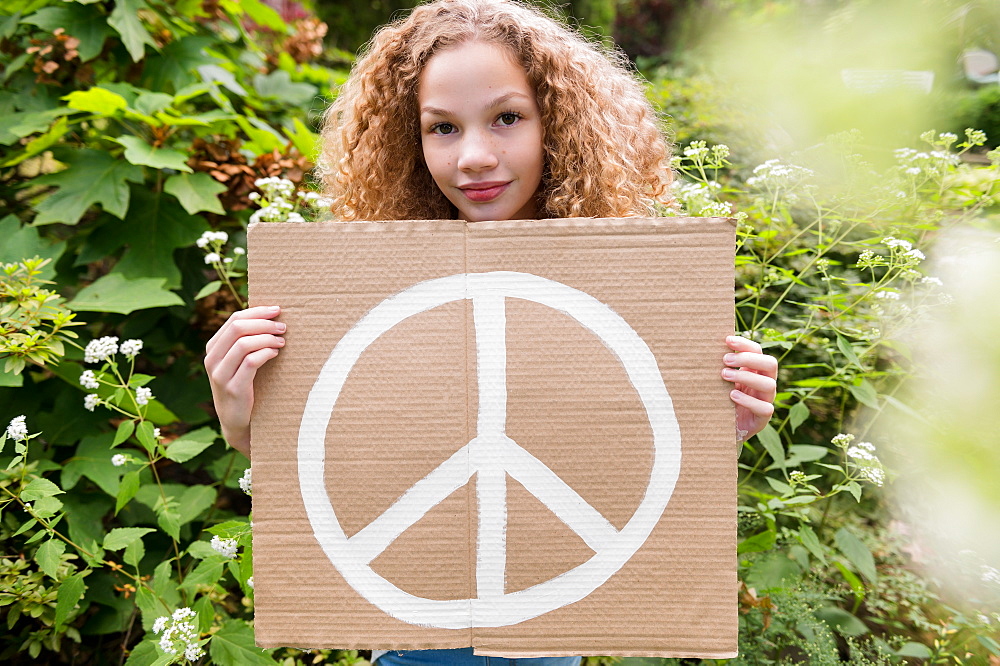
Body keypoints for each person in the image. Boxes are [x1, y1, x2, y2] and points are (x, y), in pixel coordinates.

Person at [204, 1, 778, 663]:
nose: (474, 155)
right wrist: (249, 426)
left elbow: (623, 484)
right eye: (442, 127)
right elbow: (358, 480)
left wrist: (715, 429)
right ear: (408, 141)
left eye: (506, 118)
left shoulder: (617, 302)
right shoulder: (368, 302)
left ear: (558, 123)